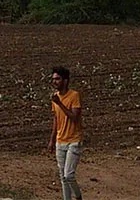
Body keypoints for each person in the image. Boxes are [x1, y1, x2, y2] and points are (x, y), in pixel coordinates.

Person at [49, 66, 83, 200]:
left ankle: (78, 196)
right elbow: (56, 119)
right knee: (63, 177)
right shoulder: (55, 98)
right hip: (60, 140)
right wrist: (52, 140)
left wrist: (60, 104)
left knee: (69, 175)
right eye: (53, 79)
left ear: (65, 81)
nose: (55, 82)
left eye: (57, 79)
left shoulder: (74, 96)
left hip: (74, 140)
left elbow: (74, 117)